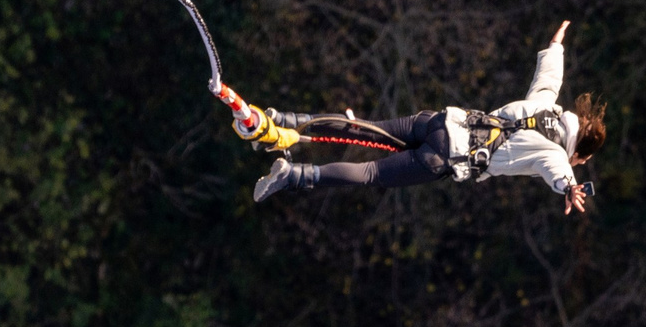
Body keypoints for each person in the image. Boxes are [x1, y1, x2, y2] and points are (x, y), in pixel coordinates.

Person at [251, 20, 603, 214]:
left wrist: (556, 44)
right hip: (443, 157)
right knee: (371, 173)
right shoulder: (556, 155)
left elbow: (549, 77)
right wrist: (569, 188)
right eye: (580, 159)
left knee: (365, 130)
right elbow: (559, 171)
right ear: (579, 152)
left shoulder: (546, 108)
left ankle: (284, 118)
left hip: (438, 122)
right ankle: (292, 176)